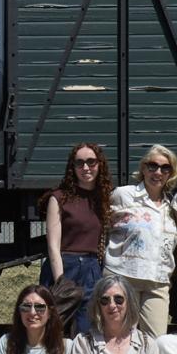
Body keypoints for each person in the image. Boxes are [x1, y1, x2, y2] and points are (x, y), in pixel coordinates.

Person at [104, 145, 177, 335]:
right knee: (118, 337)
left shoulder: (172, 205)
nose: (158, 172)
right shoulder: (123, 195)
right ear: (143, 168)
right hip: (122, 278)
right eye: (152, 166)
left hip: (157, 281)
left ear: (171, 173)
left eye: (165, 168)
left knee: (156, 341)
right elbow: (101, 226)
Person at [39, 143, 111, 335]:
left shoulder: (104, 198)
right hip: (65, 266)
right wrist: (60, 281)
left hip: (92, 269)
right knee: (54, 332)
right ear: (72, 167)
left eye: (91, 162)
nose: (85, 168)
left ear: (100, 164)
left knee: (86, 332)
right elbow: (53, 245)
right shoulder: (59, 198)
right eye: (79, 163)